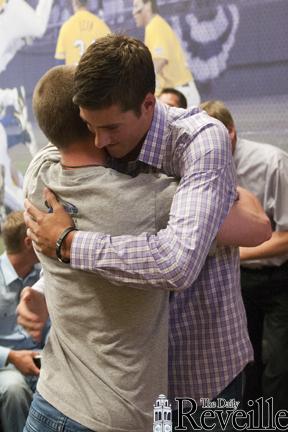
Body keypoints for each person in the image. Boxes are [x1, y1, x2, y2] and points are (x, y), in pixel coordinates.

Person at [24, 35, 271, 431]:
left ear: (148, 104)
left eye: (110, 128)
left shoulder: (199, 143)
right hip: (132, 389)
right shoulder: (83, 160)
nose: (100, 142)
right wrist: (41, 287)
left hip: (199, 373)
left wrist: (69, 244)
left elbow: (183, 261)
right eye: (89, 127)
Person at [21, 64, 181, 432]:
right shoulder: (152, 199)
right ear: (90, 121)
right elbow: (253, 225)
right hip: (117, 416)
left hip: (50, 401)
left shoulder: (37, 176)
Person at [201, 100, 288, 413]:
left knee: (278, 368)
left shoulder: (272, 162)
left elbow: (285, 236)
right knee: (239, 366)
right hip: (234, 284)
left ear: (231, 133)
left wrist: (235, 254)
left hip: (277, 280)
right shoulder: (200, 169)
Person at [0, 211, 45, 432]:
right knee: (14, 388)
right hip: (6, 365)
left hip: (41, 361)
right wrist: (12, 357)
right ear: (29, 242)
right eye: (39, 233)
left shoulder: (42, 277)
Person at [132, 0, 200, 106]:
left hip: (180, 94)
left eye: (136, 6)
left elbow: (159, 61)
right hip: (176, 92)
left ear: (148, 5)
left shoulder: (156, 25)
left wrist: (139, 86)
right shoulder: (153, 25)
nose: (133, 12)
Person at [55, 0, 111, 66]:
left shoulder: (66, 27)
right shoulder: (102, 26)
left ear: (74, 2)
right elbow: (111, 58)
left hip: (73, 74)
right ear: (88, 2)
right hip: (96, 75)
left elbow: (59, 62)